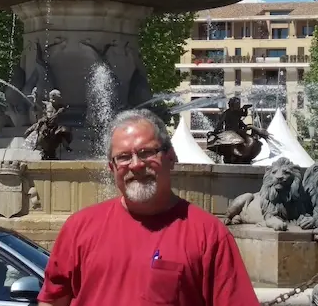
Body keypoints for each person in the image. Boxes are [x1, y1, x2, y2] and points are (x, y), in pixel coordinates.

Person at [38, 108, 259, 306]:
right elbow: (53, 300)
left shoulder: (209, 235)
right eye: (123, 157)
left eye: (146, 153)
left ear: (171, 157)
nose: (136, 165)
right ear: (112, 168)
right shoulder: (78, 228)